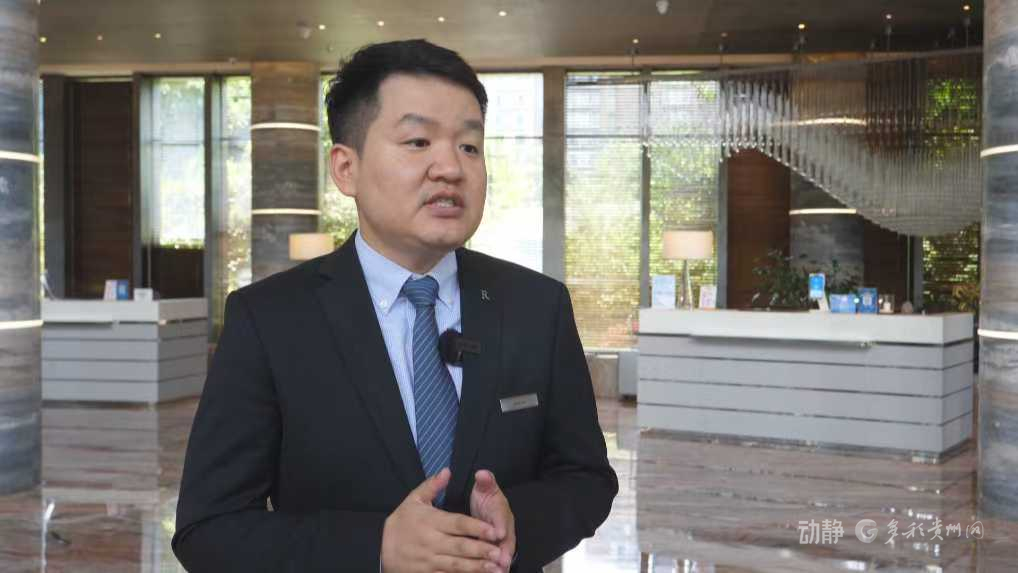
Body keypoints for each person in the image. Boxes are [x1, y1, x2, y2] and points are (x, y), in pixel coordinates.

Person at [172, 39, 617, 573]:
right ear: (346, 168)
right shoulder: (268, 320)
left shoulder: (537, 306)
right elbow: (208, 529)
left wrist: (518, 523)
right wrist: (375, 547)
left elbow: (586, 478)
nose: (450, 167)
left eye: (469, 146)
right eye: (418, 141)